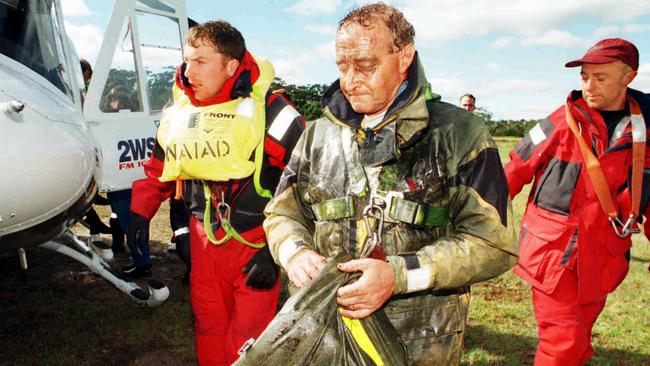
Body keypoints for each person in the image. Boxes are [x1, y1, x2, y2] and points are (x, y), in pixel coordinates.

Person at [263, 4, 517, 365]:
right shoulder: (317, 135)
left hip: (420, 342)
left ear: (404, 57)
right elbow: (281, 212)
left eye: (366, 66)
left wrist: (399, 275)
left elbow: (494, 243)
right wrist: (295, 252)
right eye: (342, 66)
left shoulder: (460, 134)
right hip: (324, 337)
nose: (350, 81)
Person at [128, 20, 305, 365]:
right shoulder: (181, 112)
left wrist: (277, 251)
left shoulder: (273, 112)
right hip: (203, 244)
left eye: (201, 61)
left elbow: (310, 180)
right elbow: (159, 169)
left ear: (231, 67)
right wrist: (140, 212)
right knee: (208, 330)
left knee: (248, 344)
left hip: (255, 245)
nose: (187, 70)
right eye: (187, 60)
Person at [505, 38, 650, 365]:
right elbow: (513, 170)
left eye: (600, 78)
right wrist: (470, 217)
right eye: (584, 77)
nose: (589, 86)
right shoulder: (560, 121)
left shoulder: (643, 132)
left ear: (629, 78)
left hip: (603, 260)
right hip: (553, 257)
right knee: (564, 343)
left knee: (578, 341)